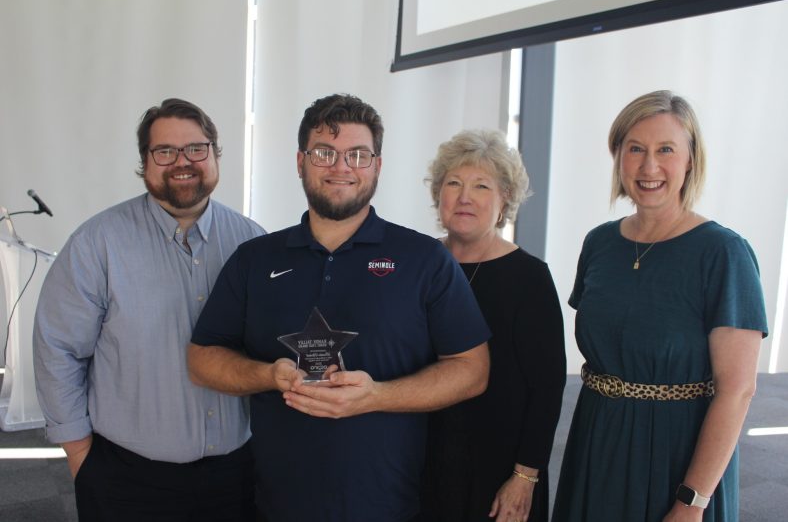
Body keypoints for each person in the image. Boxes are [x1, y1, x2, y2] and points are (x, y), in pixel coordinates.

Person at [187, 93, 491, 522]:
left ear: (377, 166)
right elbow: (202, 360)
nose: (341, 167)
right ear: (300, 161)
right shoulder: (254, 260)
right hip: (272, 504)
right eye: (324, 152)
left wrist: (377, 396)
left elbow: (472, 369)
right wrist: (268, 375)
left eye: (358, 155)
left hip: (390, 505)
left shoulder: (424, 260)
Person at [33, 98, 265, 521]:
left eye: (197, 148)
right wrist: (79, 453)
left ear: (215, 155)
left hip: (235, 477)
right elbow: (58, 349)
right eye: (165, 151)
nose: (183, 162)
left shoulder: (251, 243)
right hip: (126, 480)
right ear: (145, 162)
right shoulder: (97, 243)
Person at [552, 90, 768, 521]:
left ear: (690, 160)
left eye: (665, 149)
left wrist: (692, 502)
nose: (649, 167)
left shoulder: (724, 253)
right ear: (618, 157)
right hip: (597, 439)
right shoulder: (599, 243)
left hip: (677, 453)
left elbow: (737, 390)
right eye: (635, 149)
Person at [418, 129, 566, 522]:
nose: (465, 196)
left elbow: (548, 389)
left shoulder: (529, 277)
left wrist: (525, 476)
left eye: (482, 186)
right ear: (439, 196)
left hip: (501, 465)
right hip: (424, 457)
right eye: (454, 183)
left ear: (504, 202)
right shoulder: (419, 264)